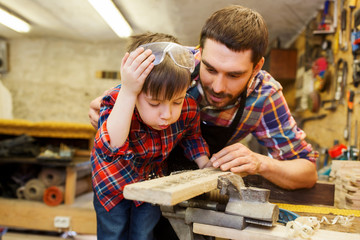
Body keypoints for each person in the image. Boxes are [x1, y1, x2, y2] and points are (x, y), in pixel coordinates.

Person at [89, 5, 318, 191]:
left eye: (234, 75)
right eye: (210, 69)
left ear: (257, 66)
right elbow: (123, 97)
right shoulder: (176, 62)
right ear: (198, 52)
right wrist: (108, 107)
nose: (218, 87)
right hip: (144, 184)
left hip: (202, 189)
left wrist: (262, 163)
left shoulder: (265, 96)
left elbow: (307, 172)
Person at [91, 32, 211, 240]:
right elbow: (113, 145)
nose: (167, 114)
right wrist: (128, 92)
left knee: (144, 234)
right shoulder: (118, 98)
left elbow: (193, 137)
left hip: (151, 182)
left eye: (176, 101)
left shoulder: (189, 107)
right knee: (113, 233)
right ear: (136, 91)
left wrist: (205, 164)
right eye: (155, 103)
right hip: (111, 185)